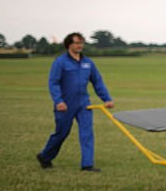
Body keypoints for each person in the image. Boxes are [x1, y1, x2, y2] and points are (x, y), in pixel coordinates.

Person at [36, 32, 114, 171]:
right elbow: (53, 83)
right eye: (77, 43)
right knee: (61, 133)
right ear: (69, 45)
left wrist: (107, 98)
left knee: (87, 133)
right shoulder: (60, 62)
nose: (80, 46)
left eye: (81, 43)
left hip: (84, 103)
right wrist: (58, 101)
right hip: (65, 104)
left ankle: (87, 165)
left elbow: (97, 82)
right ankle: (45, 156)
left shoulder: (88, 63)